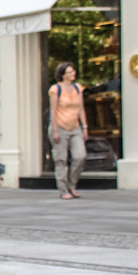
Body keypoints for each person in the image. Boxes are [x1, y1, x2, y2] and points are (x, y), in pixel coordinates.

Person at [48, 62, 87, 199]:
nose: (73, 74)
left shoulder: (77, 88)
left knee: (80, 156)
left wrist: (85, 127)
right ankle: (63, 190)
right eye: (70, 72)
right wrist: (55, 130)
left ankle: (72, 185)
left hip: (75, 127)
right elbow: (53, 111)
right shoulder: (56, 89)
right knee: (61, 160)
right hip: (60, 127)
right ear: (63, 75)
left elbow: (81, 109)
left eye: (73, 71)